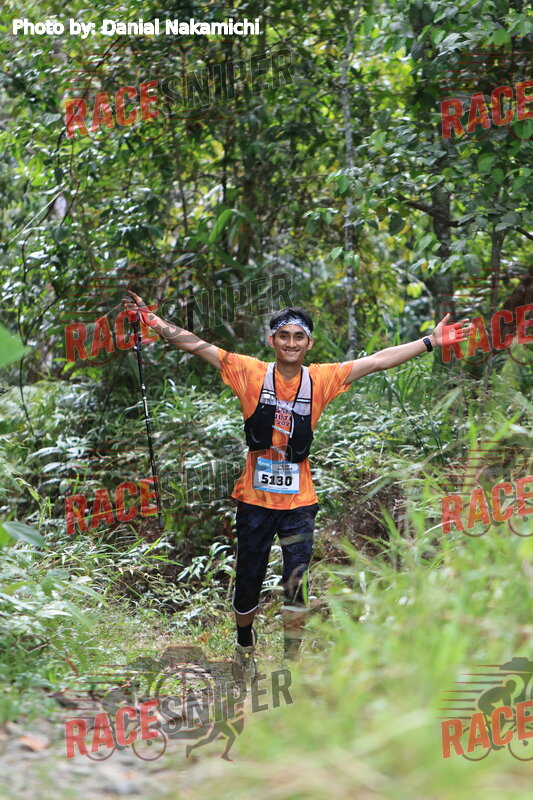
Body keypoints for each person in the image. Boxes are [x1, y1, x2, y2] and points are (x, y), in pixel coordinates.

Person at [123, 290, 470, 678]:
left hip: (299, 503)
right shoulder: (249, 372)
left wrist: (429, 342)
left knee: (296, 583)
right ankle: (244, 641)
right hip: (254, 500)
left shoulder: (320, 379)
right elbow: (198, 345)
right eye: (284, 336)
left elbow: (377, 360)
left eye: (298, 337)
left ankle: (291, 659)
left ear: (309, 343)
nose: (291, 343)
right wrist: (154, 322)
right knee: (248, 580)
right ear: (272, 340)